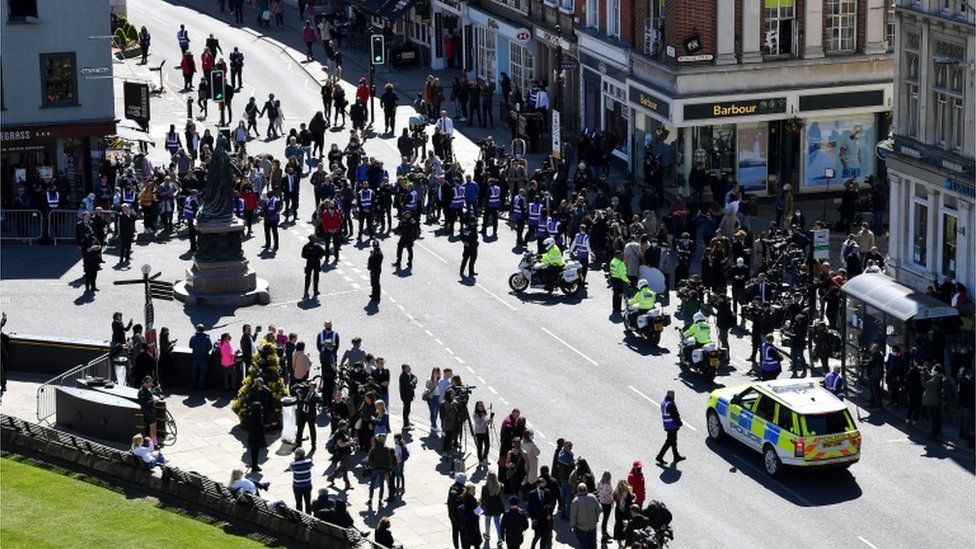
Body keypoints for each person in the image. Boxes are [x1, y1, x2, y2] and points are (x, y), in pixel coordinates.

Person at [655, 390, 685, 465]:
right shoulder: (671, 404)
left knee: (673, 441)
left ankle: (676, 455)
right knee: (669, 442)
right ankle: (659, 456)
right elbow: (675, 415)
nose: (673, 396)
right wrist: (679, 423)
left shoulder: (663, 403)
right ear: (669, 394)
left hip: (667, 425)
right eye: (672, 394)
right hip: (672, 425)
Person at [570, 483, 602, 549]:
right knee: (593, 545)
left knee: (584, 545)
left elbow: (573, 516)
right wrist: (596, 518)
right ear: (586, 489)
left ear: (578, 490)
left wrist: (573, 525)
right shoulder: (592, 497)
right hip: (592, 526)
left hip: (581, 527)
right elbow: (599, 509)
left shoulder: (575, 501)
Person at [526, 477, 554, 549]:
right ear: (538, 485)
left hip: (545, 518)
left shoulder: (547, 491)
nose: (544, 485)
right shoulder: (532, 493)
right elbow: (530, 508)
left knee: (544, 537)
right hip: (537, 519)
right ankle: (533, 546)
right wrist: (533, 518)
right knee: (537, 535)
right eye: (542, 483)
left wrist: (549, 514)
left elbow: (551, 504)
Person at [283, 448, 314, 513]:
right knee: (308, 502)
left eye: (295, 454)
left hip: (297, 486)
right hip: (307, 485)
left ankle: (300, 516)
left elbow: (290, 468)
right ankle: (309, 516)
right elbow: (312, 465)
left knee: (298, 503)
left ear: (298, 455)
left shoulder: (293, 464)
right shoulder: (309, 461)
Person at [367, 434, 393, 506]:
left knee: (372, 484)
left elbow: (370, 460)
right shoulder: (386, 449)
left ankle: (370, 500)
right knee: (382, 485)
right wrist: (388, 469)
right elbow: (388, 460)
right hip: (383, 469)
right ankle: (379, 501)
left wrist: (372, 464)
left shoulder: (373, 449)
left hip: (375, 468)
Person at [480, 471, 505, 545]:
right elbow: (501, 497)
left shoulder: (485, 488)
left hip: (488, 507)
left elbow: (483, 499)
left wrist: (482, 507)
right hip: (497, 507)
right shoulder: (500, 486)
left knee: (487, 521)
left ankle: (487, 534)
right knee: (497, 523)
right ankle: (500, 539)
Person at [188, 324, 212, 391]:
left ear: (197, 329)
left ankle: (192, 386)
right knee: (202, 373)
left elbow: (190, 346)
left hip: (195, 358)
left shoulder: (193, 337)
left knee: (194, 372)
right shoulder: (207, 338)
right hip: (204, 358)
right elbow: (210, 347)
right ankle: (200, 387)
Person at [296, 380, 320, 448]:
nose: (309, 388)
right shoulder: (306, 392)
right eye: (309, 386)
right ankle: (298, 445)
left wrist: (302, 400)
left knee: (312, 429)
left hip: (310, 415)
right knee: (300, 429)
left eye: (311, 387)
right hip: (303, 413)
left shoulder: (315, 396)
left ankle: (313, 445)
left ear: (314, 388)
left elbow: (309, 402)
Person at [137, 376, 160, 444]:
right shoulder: (141, 392)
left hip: (152, 410)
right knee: (152, 426)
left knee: (154, 425)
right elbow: (144, 403)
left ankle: (155, 441)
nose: (151, 384)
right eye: (150, 383)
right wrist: (154, 401)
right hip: (148, 411)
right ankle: (152, 443)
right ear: (145, 383)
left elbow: (150, 398)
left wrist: (154, 399)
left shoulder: (148, 390)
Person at [447, 473, 467, 549]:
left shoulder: (452, 488)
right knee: (463, 533)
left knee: (455, 531)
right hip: (460, 516)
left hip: (452, 515)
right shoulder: (463, 490)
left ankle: (456, 546)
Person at [246, 401, 267, 471]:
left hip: (252, 436)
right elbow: (261, 426)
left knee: (253, 451)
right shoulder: (258, 417)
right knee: (256, 452)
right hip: (257, 437)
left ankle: (253, 464)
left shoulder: (250, 415)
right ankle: (254, 466)